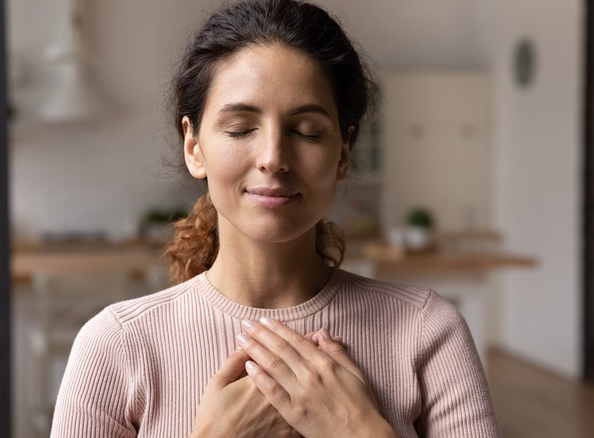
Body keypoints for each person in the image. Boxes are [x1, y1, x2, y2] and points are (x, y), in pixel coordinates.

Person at [51, 0, 502, 436]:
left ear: (343, 153)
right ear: (194, 147)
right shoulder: (116, 347)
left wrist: (360, 432)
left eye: (306, 131)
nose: (273, 157)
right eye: (241, 128)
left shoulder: (427, 331)